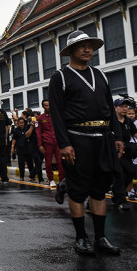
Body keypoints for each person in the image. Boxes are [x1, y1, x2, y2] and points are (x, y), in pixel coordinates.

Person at [49, 30, 123, 256]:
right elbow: (57, 114)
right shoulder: (60, 77)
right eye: (82, 46)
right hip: (77, 139)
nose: (88, 49)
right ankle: (81, 237)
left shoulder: (100, 75)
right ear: (71, 51)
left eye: (90, 45)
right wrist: (64, 144)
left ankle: (101, 237)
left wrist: (118, 136)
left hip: (103, 138)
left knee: (100, 191)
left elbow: (110, 109)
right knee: (78, 191)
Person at [112, 97, 137, 211]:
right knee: (119, 175)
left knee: (130, 172)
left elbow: (135, 133)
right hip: (114, 152)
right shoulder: (111, 121)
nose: (125, 109)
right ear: (115, 108)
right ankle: (121, 200)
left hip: (126, 152)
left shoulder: (128, 121)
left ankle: (117, 193)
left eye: (126, 107)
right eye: (122, 106)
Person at [37, 99, 62, 187]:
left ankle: (62, 180)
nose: (48, 107)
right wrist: (40, 145)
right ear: (43, 106)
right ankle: (51, 179)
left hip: (58, 142)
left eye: (49, 105)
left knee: (60, 162)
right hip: (47, 143)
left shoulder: (56, 116)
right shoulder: (40, 118)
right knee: (48, 162)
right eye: (46, 105)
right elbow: (38, 132)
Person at [11, 117, 34, 181]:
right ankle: (21, 176)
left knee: (30, 163)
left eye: (22, 123)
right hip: (20, 149)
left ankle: (32, 176)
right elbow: (14, 139)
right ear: (17, 123)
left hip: (28, 148)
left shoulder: (27, 128)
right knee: (21, 164)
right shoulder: (16, 130)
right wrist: (12, 147)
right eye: (20, 123)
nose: (21, 124)